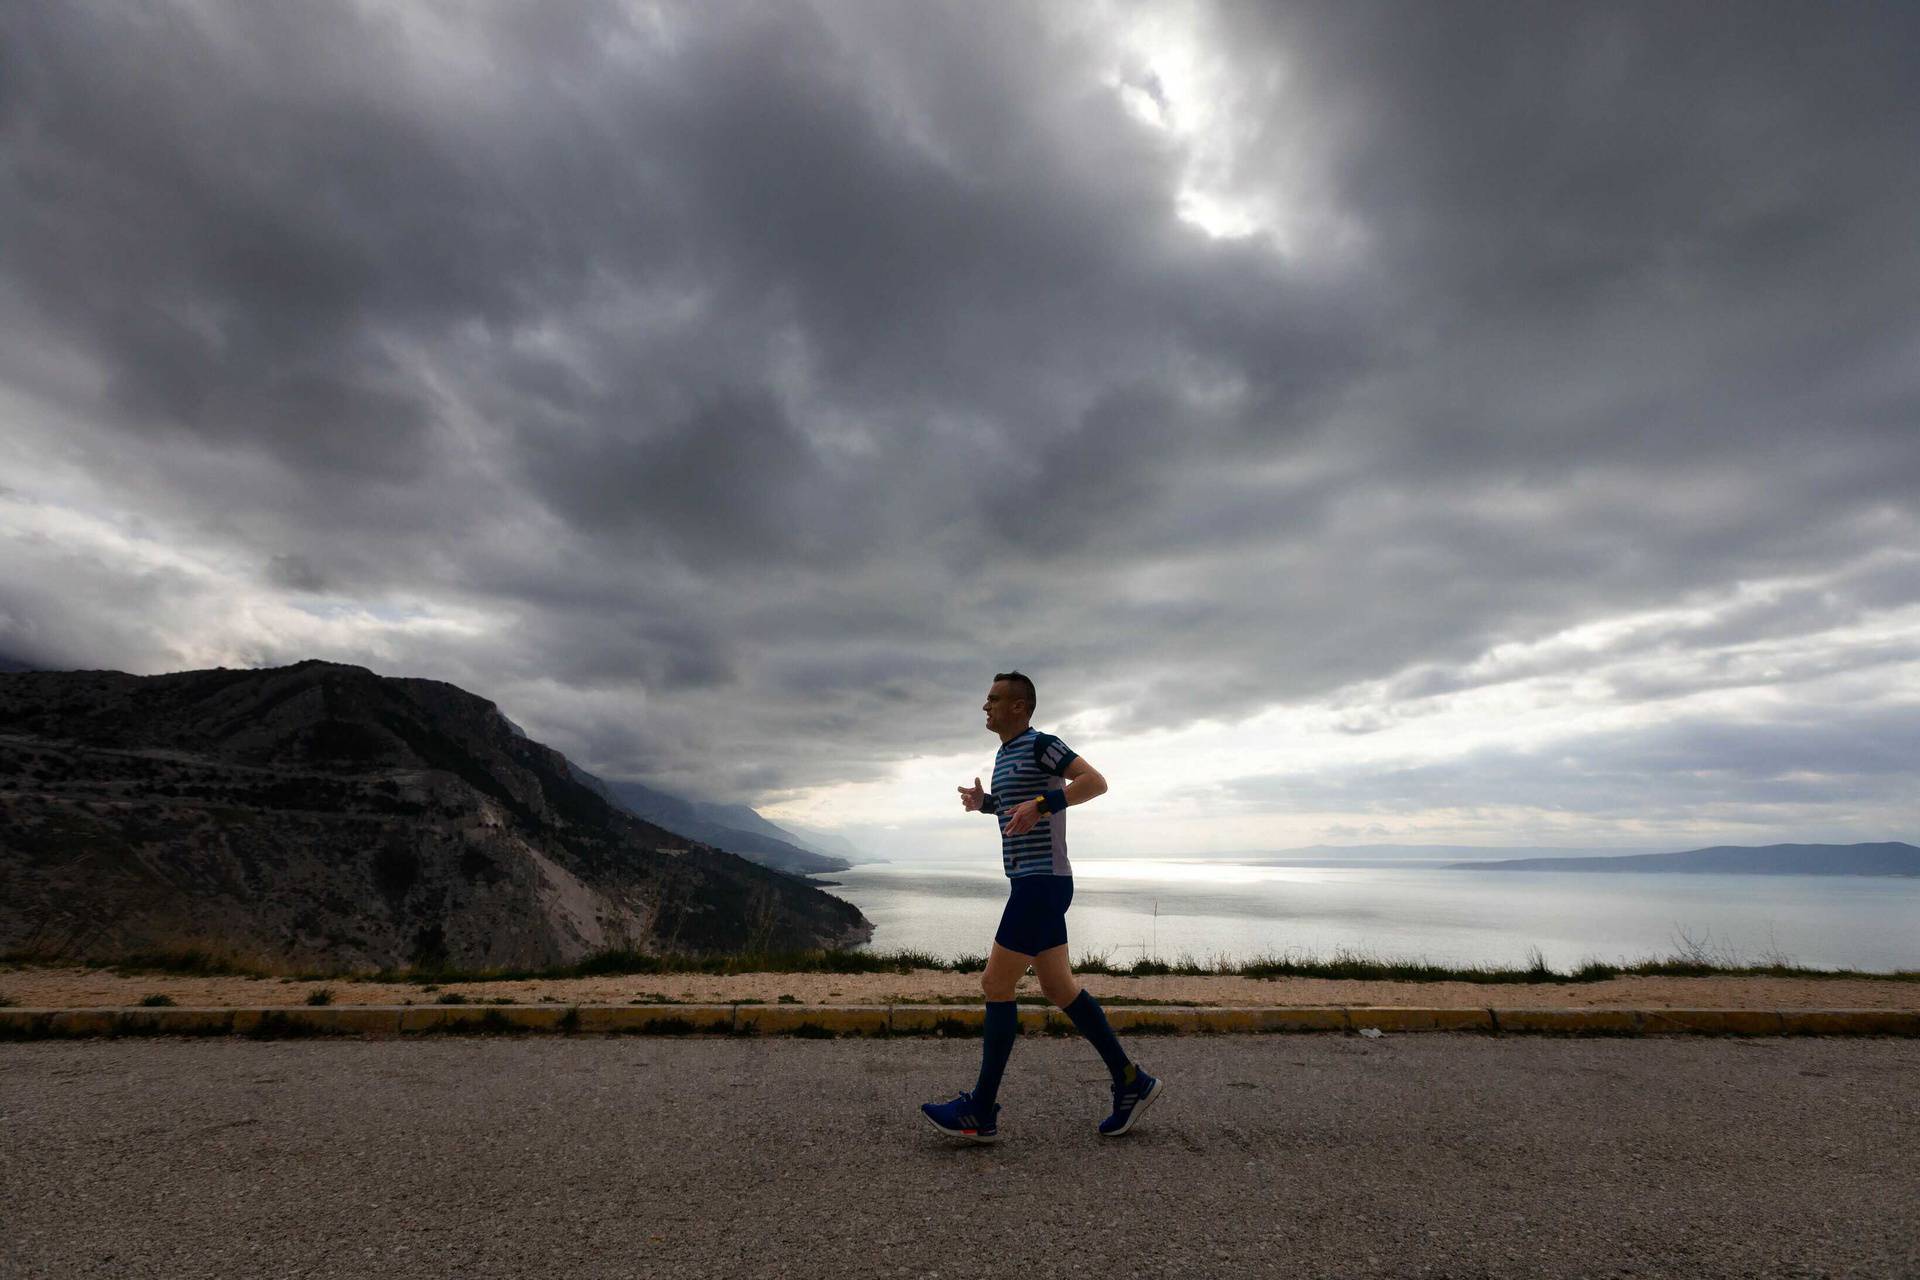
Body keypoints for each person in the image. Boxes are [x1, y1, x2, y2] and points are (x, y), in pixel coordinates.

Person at [920, 670, 1166, 1143]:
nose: (985, 706)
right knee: (1059, 988)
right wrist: (986, 803)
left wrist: (1044, 804)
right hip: (1032, 884)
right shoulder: (1004, 753)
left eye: (994, 699)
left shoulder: (1042, 744)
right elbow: (1019, 809)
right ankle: (1132, 1082)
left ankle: (980, 1110)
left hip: (1042, 884)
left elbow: (1094, 782)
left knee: (995, 983)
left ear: (1019, 706)